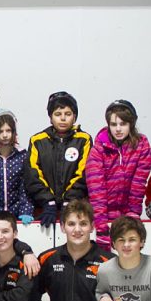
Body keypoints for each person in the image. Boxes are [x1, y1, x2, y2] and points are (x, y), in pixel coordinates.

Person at [85, 100, 151, 249]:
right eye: (114, 124)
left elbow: (138, 185)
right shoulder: (98, 150)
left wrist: (133, 216)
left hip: (126, 214)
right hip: (103, 215)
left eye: (123, 124)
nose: (118, 129)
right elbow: (97, 191)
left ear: (131, 124)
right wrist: (101, 227)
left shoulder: (142, 146)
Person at [24, 91, 92, 225]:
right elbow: (32, 174)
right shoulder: (37, 140)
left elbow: (85, 172)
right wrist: (48, 201)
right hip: (44, 209)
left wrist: (70, 201)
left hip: (75, 210)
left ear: (74, 117)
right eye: (57, 114)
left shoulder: (83, 140)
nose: (62, 118)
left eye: (68, 114)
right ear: (50, 117)